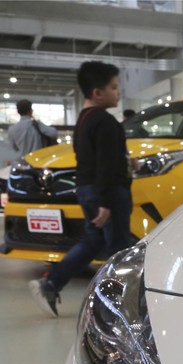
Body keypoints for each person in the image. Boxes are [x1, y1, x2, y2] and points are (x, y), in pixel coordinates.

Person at [29, 61, 134, 317]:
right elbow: (107, 165)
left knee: (93, 240)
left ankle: (51, 283)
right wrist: (107, 202)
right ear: (97, 93)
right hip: (106, 193)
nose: (118, 92)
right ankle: (111, 310)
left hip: (86, 188)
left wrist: (125, 162)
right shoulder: (106, 122)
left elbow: (95, 158)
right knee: (119, 250)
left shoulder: (84, 121)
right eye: (114, 87)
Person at [4, 99, 59, 207]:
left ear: (18, 111)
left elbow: (13, 148)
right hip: (39, 164)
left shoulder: (12, 129)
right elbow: (53, 133)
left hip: (22, 166)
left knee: (24, 194)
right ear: (31, 110)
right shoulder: (36, 124)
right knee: (41, 193)